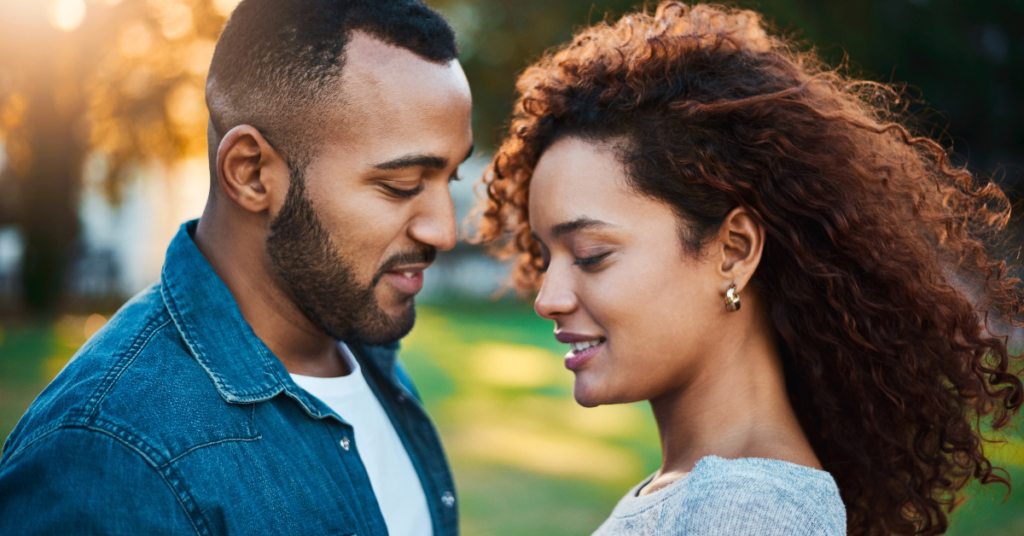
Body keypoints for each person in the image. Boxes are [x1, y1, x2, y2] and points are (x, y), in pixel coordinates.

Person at [473, 2, 1024, 535]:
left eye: (591, 255)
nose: (547, 297)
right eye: (547, 257)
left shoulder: (747, 511)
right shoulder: (697, 494)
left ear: (734, 250)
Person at [0, 1, 472, 534]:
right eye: (402, 185)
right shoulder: (108, 452)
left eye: (449, 180)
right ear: (250, 173)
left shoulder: (364, 349)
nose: (445, 230)